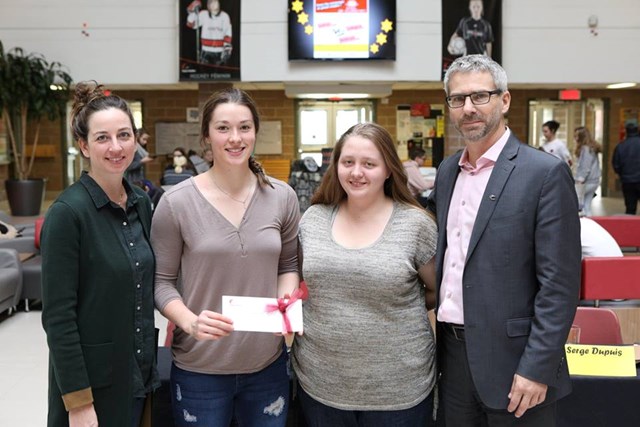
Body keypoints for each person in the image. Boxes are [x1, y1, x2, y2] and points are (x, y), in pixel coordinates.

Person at [428, 54, 581, 426]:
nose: (469, 108)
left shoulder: (544, 174)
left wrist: (537, 367)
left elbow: (559, 286)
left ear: (505, 100)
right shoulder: (448, 172)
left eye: (480, 96)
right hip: (453, 360)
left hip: (517, 365)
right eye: (458, 99)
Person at [152, 88, 300, 426]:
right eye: (223, 128)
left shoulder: (282, 198)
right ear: (206, 136)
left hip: (267, 365)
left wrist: (285, 304)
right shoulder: (176, 203)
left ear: (255, 132)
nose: (235, 138)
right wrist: (188, 320)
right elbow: (161, 282)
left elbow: (289, 265)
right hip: (199, 369)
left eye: (244, 127)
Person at [292, 123, 438, 426]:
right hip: (321, 383)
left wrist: (390, 308)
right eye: (348, 162)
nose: (356, 172)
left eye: (369, 164)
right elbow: (303, 283)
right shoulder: (313, 219)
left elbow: (437, 290)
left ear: (388, 170)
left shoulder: (416, 225)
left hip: (399, 390)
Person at [41, 81, 159, 427]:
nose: (116, 147)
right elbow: (59, 317)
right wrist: (78, 403)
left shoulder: (141, 202)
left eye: (124, 135)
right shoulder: (68, 213)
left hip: (138, 370)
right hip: (91, 384)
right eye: (102, 138)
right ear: (84, 146)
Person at [186, 0, 232, 65]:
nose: (212, 4)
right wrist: (192, 12)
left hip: (220, 51)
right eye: (210, 2)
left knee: (219, 74)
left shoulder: (224, 16)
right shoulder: (203, 14)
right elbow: (190, 24)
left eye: (214, 1)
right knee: (204, 73)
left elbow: (227, 32)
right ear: (207, 5)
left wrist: (227, 49)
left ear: (218, 3)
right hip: (205, 51)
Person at [612, 121, 640, 215]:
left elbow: (616, 165)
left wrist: (622, 174)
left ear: (626, 131)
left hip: (627, 181)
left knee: (630, 208)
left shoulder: (620, 146)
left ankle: (631, 228)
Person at [573, 127, 601, 216]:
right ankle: (589, 221)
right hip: (594, 181)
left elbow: (585, 166)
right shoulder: (592, 148)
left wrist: (580, 179)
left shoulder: (586, 149)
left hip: (586, 182)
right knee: (587, 206)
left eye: (576, 136)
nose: (575, 138)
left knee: (580, 206)